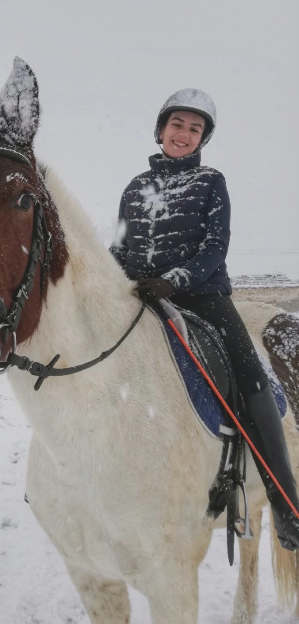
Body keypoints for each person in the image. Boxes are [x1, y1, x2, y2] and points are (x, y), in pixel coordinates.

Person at [110, 88, 299, 550]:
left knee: (250, 375)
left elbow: (215, 248)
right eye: (177, 124)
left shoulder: (211, 182)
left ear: (202, 140)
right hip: (141, 298)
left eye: (195, 129)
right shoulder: (134, 188)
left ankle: (286, 503)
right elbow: (119, 246)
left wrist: (174, 280)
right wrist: (110, 278)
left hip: (204, 297)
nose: (184, 134)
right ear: (160, 130)